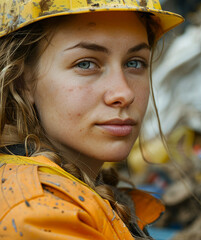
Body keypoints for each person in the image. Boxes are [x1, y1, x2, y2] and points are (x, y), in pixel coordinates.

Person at [0, 1, 183, 239]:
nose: (124, 93)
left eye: (134, 63)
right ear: (22, 82)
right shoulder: (36, 214)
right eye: (85, 64)